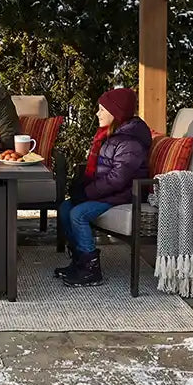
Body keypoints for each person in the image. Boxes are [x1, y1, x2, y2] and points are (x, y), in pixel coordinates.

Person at [55, 87, 152, 287]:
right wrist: (81, 184)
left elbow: (118, 179)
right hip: (108, 191)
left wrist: (87, 193)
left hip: (124, 194)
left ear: (115, 113)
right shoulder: (109, 135)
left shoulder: (129, 142)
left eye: (101, 109)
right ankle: (79, 260)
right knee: (65, 208)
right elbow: (100, 170)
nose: (97, 113)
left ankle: (91, 270)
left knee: (79, 213)